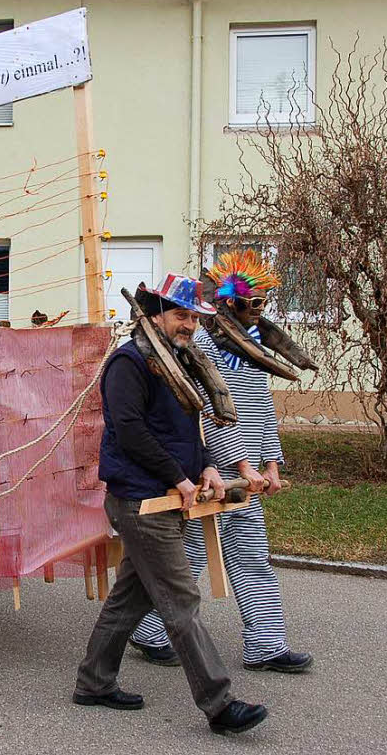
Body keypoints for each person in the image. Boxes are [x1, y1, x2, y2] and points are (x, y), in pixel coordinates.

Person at [73, 272, 268, 736]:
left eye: (194, 318)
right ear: (154, 314)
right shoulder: (129, 362)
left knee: (128, 600)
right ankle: (220, 705)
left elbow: (185, 431)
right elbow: (130, 430)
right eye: (180, 315)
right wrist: (177, 476)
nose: (189, 325)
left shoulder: (177, 361)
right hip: (142, 502)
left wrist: (204, 466)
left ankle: (94, 682)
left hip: (165, 497)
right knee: (181, 600)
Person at [129, 249, 313, 674]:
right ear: (231, 301)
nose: (261, 312)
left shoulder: (251, 350)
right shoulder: (200, 347)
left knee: (252, 557)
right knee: (189, 559)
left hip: (247, 476)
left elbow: (261, 408)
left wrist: (270, 465)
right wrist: (240, 463)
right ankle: (149, 630)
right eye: (256, 302)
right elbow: (209, 415)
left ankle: (266, 646)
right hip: (211, 470)